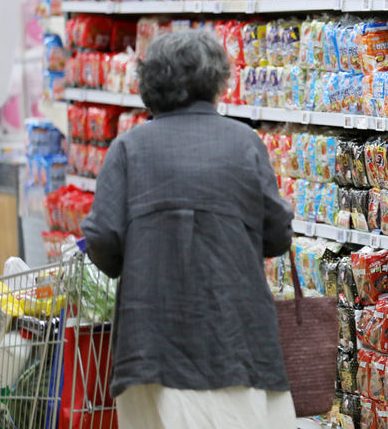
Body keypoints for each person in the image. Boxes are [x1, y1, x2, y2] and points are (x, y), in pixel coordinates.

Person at [81, 30, 296, 429]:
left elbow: (104, 241)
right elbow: (278, 236)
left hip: (151, 342)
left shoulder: (128, 149)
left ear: (150, 85)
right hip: (237, 339)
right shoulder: (245, 143)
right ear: (216, 82)